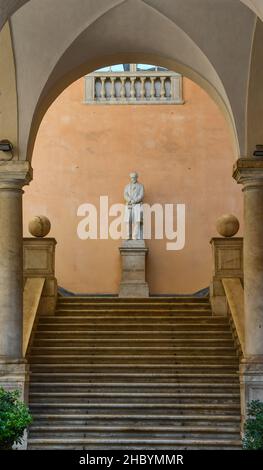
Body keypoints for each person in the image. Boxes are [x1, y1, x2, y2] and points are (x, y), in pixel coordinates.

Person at [124, 172, 144, 240]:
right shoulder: (127, 186)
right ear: (130, 178)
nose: (133, 179)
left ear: (136, 178)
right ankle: (128, 236)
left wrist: (134, 201)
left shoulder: (140, 186)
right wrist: (130, 200)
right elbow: (125, 194)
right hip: (129, 204)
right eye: (132, 178)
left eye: (134, 177)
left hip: (137, 205)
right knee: (128, 220)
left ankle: (135, 236)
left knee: (137, 221)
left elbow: (141, 195)